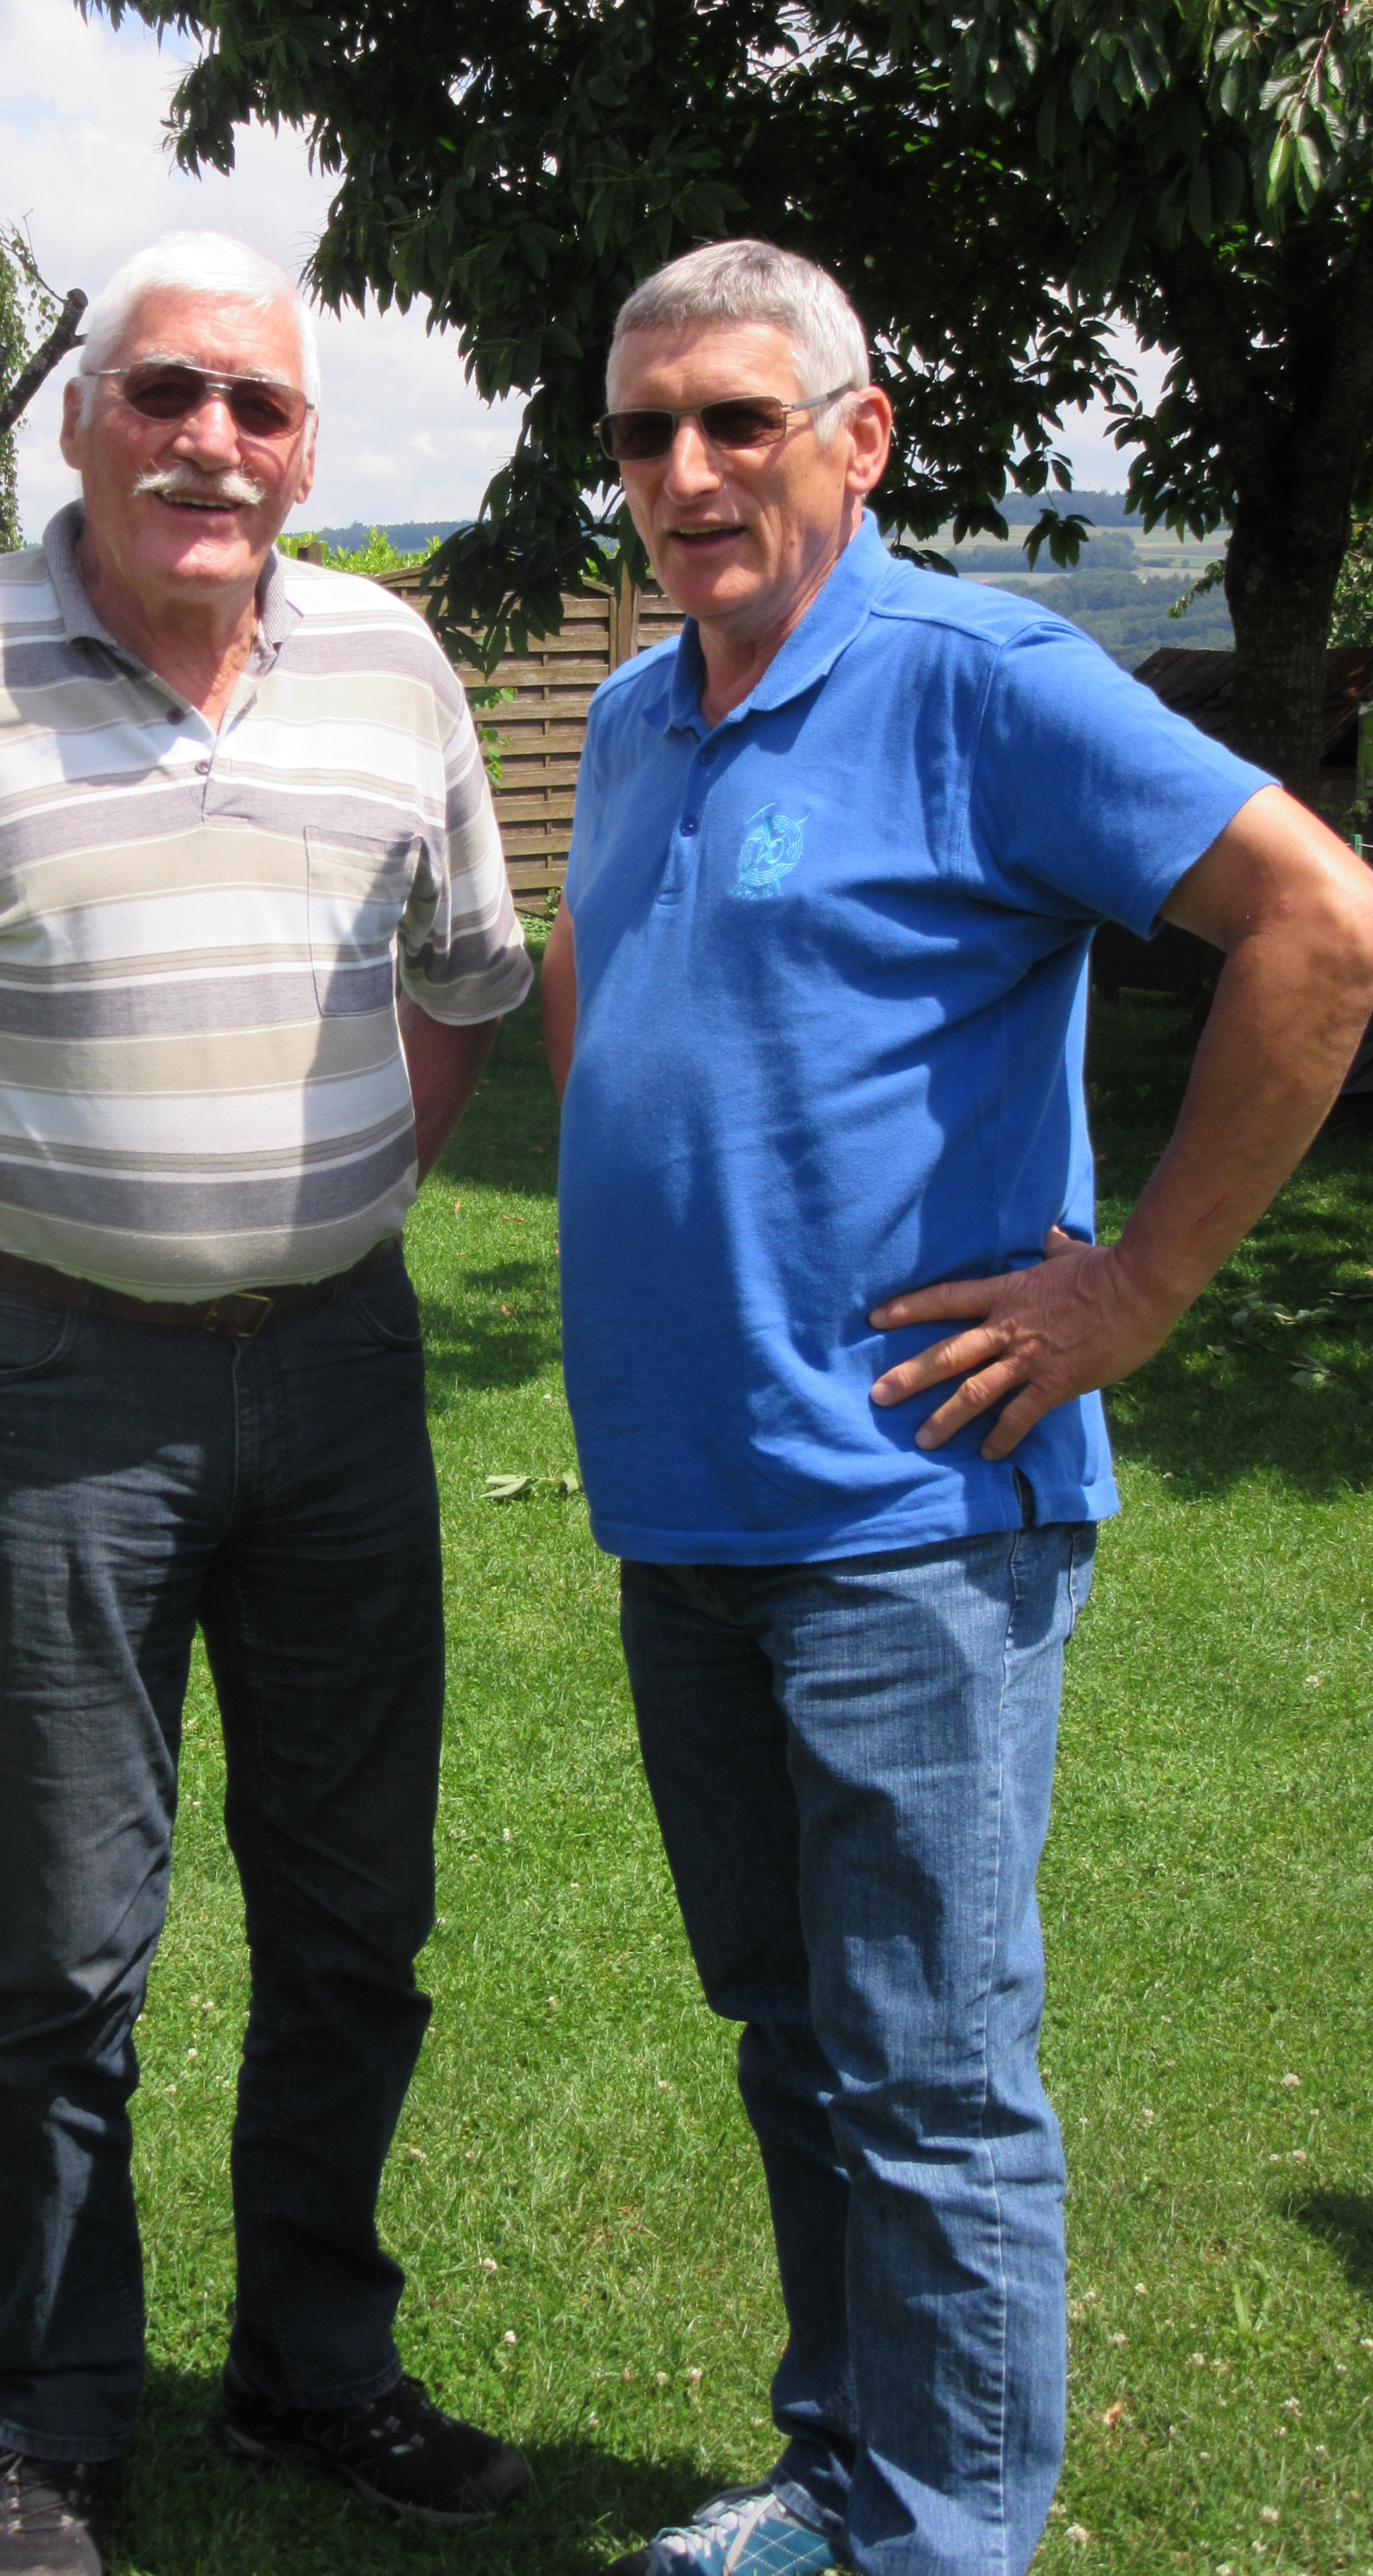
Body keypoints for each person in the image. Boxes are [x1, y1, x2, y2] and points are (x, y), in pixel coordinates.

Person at [0, 230, 533, 2576]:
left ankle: (314, 2369)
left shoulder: (392, 667)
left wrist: (361, 1189)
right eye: (164, 392)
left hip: (342, 1375)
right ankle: (53, 2422)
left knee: (355, 1918)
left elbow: (470, 969)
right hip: (50, 1380)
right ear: (81, 423)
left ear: (309, 453)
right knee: (71, 1943)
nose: (210, 442)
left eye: (259, 406)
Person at [542, 238, 1373, 2576]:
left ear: (861, 436)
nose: (688, 473)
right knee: (792, 2031)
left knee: (923, 2064)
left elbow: (1323, 927)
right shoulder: (636, 715)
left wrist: (1138, 1286)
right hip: (690, 1503)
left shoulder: (976, 678)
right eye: (644, 433)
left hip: (915, 1513)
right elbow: (612, 978)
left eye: (738, 420)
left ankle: (942, 2537)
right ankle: (847, 2473)